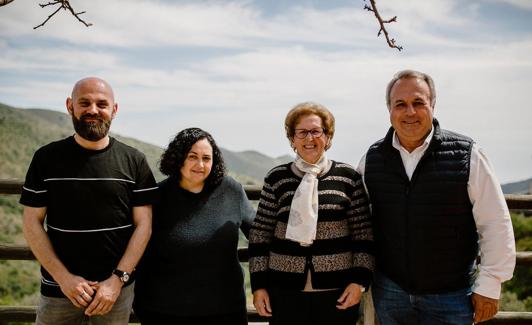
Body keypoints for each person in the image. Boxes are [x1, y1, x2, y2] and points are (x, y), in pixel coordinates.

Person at [358, 69, 516, 324]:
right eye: (401, 104)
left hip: (451, 296)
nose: (410, 112)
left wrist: (490, 284)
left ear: (433, 105)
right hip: (390, 292)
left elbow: (495, 222)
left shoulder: (468, 155)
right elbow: (358, 222)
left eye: (418, 102)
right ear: (390, 110)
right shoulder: (372, 159)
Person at [20, 77, 157, 325]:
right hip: (58, 290)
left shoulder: (134, 160)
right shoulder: (46, 158)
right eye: (84, 103)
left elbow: (144, 225)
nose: (93, 110)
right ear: (70, 106)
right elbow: (31, 222)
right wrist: (64, 278)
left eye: (102, 104)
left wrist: (117, 280)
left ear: (114, 110)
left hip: (115, 293)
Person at [248, 102, 374, 325]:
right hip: (284, 291)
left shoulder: (348, 177)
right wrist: (259, 286)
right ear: (292, 139)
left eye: (316, 131)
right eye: (302, 132)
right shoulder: (276, 178)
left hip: (338, 293)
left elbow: (363, 234)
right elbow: (260, 235)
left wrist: (359, 281)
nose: (309, 138)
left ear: (327, 136)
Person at [133, 127, 255, 325]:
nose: (200, 164)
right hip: (165, 312)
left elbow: (259, 235)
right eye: (192, 156)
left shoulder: (231, 190)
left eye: (206, 158)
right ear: (178, 158)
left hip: (226, 311)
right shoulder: (157, 197)